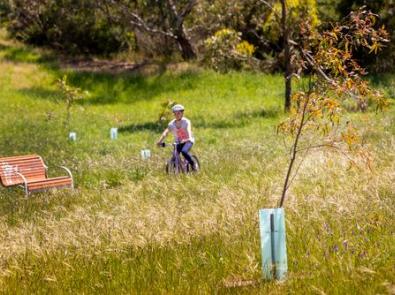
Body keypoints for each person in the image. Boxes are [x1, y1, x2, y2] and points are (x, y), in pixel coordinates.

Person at [156, 104, 197, 170]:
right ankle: (176, 169)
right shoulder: (171, 124)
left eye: (178, 113)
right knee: (174, 155)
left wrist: (188, 138)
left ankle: (193, 165)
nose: (177, 115)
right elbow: (165, 132)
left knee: (184, 151)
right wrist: (160, 141)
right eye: (175, 113)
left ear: (182, 113)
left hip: (188, 140)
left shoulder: (186, 122)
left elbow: (188, 130)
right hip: (179, 142)